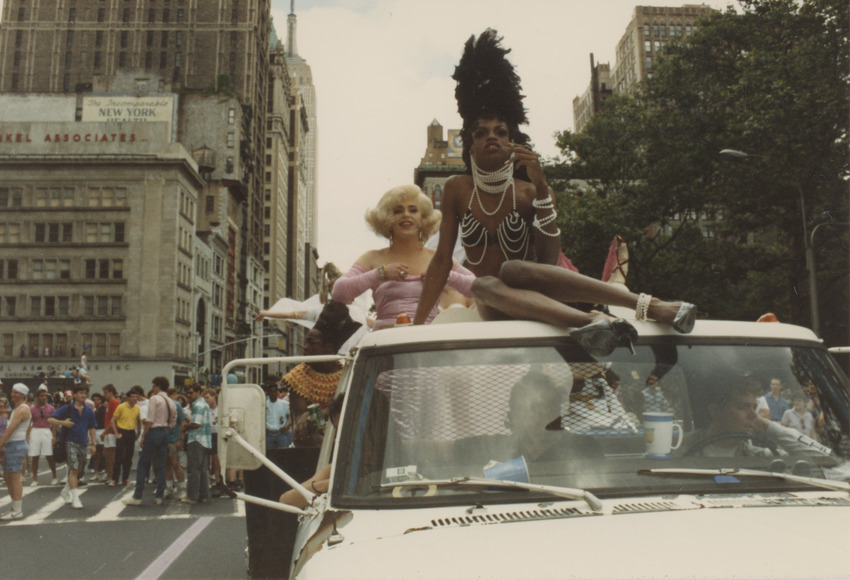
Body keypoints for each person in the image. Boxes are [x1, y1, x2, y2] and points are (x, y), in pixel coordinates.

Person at [414, 29, 695, 356]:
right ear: (470, 145)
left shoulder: (531, 192)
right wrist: (416, 326)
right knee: (484, 282)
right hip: (496, 303)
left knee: (512, 269)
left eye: (500, 132)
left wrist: (542, 188)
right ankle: (591, 321)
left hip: (539, 298)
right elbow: (441, 261)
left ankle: (651, 306)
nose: (492, 137)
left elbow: (548, 263)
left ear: (512, 142)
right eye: (481, 133)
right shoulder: (457, 189)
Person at [331, 184, 475, 330]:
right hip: (387, 339)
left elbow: (476, 287)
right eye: (398, 211)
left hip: (426, 338)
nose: (406, 215)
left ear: (422, 219)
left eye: (413, 210)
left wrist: (446, 276)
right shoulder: (372, 258)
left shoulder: (439, 259)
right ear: (387, 219)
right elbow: (338, 292)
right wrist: (380, 273)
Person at [686, 374, 830, 458]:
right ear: (715, 411)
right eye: (742, 407)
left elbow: (824, 456)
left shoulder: (756, 455)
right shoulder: (683, 446)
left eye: (754, 407)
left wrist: (765, 426)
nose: (753, 415)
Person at [282, 302, 361, 447]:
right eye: (306, 342)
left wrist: (325, 412)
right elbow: (302, 423)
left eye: (311, 343)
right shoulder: (297, 377)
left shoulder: (348, 374)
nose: (305, 347)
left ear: (328, 347)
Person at [123, 377, 177, 506]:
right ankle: (159, 496)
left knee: (143, 463)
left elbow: (150, 419)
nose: (153, 389)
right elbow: (172, 422)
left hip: (154, 431)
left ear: (157, 386)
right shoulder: (171, 401)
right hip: (165, 431)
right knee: (161, 465)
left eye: (154, 386)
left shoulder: (154, 399)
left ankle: (137, 496)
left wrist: (143, 435)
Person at [48, 383, 96, 509]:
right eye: (80, 393)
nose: (83, 395)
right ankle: (76, 498)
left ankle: (65, 491)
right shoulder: (67, 408)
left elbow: (92, 427)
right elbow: (50, 419)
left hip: (83, 443)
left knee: (79, 470)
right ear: (74, 395)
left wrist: (93, 444)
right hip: (69, 442)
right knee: (74, 468)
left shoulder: (89, 410)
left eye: (85, 393)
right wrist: (63, 422)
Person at [0, 384, 33, 520]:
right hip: (12, 445)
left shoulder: (22, 410)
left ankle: (18, 510)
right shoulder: (16, 409)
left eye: (16, 393)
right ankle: (14, 507)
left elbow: (9, 430)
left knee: (14, 478)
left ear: (23, 395)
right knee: (8, 477)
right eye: (13, 392)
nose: (13, 394)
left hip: (16, 445)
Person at [106, 385, 142, 485]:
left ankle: (125, 477)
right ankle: (115, 479)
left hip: (131, 432)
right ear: (128, 398)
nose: (135, 399)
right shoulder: (121, 406)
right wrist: (116, 433)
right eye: (133, 397)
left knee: (129, 457)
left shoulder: (137, 408)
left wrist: (138, 432)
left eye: (136, 397)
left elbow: (139, 421)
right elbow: (113, 420)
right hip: (122, 431)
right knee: (119, 456)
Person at [182, 383, 212, 505]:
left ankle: (192, 496)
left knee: (193, 469)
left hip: (196, 439)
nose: (188, 395)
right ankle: (203, 495)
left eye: (191, 392)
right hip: (205, 440)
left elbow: (196, 424)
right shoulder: (204, 404)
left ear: (198, 392)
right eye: (187, 393)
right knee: (202, 469)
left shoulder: (198, 405)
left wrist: (185, 426)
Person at [27, 387, 59, 486]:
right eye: (42, 396)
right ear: (37, 397)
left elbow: (54, 423)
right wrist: (27, 436)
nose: (44, 397)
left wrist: (54, 435)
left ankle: (54, 476)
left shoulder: (51, 408)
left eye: (45, 396)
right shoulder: (32, 409)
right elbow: (29, 423)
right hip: (35, 431)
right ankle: (35, 479)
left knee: (49, 455)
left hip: (46, 431)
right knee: (35, 456)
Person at [164, 387, 187, 500]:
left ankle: (182, 488)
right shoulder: (161, 405)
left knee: (176, 464)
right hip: (164, 439)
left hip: (174, 438)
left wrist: (181, 439)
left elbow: (183, 422)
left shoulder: (176, 405)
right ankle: (169, 487)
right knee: (166, 464)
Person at [99, 384, 120, 483]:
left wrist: (105, 432)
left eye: (106, 392)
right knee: (106, 454)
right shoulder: (109, 404)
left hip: (111, 432)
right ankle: (108, 473)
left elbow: (113, 420)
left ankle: (111, 474)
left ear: (111, 392)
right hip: (108, 432)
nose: (104, 395)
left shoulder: (115, 403)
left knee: (111, 455)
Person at [265, 382, 292, 450]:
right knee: (269, 454)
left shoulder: (284, 404)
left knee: (283, 454)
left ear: (277, 393)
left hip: (281, 434)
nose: (273, 394)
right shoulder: (264, 404)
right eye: (271, 392)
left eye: (274, 392)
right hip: (269, 435)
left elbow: (290, 417)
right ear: (268, 393)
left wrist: (287, 426)